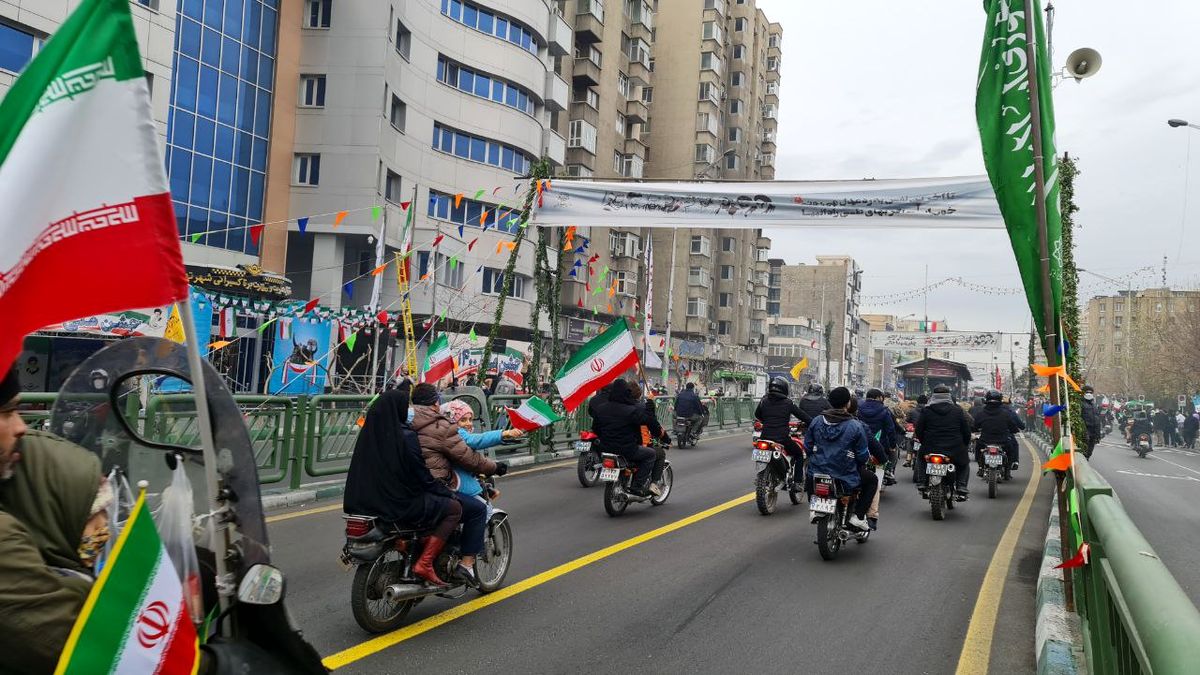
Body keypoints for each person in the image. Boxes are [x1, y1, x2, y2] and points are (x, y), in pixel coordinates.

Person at [0, 366, 110, 671]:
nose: (21, 426)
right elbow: (81, 644)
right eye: (7, 412)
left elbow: (116, 575)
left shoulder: (69, 474)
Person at [343, 386, 463, 587]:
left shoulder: (369, 434)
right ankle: (425, 563)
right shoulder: (405, 437)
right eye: (403, 406)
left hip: (363, 503)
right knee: (454, 509)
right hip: (396, 504)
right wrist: (445, 492)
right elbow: (420, 475)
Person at [410, 383, 507, 586]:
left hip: (403, 486)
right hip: (432, 488)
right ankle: (466, 564)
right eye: (463, 419)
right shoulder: (440, 427)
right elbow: (470, 457)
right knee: (477, 509)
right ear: (436, 404)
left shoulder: (402, 421)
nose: (467, 423)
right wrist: (495, 464)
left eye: (469, 419)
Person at [804, 387, 876, 531]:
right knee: (872, 480)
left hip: (818, 470)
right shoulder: (855, 425)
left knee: (810, 476)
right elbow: (862, 455)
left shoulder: (817, 421)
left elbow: (807, 446)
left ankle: (815, 508)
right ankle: (858, 516)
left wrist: (817, 459)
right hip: (846, 473)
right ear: (848, 404)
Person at [589, 378, 668, 496]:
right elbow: (649, 421)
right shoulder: (631, 411)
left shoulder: (601, 409)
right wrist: (650, 403)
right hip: (627, 450)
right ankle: (637, 486)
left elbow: (596, 429)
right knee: (651, 454)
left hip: (604, 449)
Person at [915, 384, 973, 500]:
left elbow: (919, 430)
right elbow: (966, 431)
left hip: (930, 446)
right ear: (949, 396)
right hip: (954, 448)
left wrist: (924, 442)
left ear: (933, 396)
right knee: (964, 463)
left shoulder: (926, 410)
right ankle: (961, 485)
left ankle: (922, 482)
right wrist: (965, 444)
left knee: (921, 459)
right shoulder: (957, 411)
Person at [754, 377, 812, 465]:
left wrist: (767, 421)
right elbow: (803, 416)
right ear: (785, 389)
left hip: (764, 438)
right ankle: (797, 479)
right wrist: (812, 422)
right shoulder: (788, 403)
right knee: (799, 454)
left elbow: (757, 414)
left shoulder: (764, 401)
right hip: (782, 439)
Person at [973, 389, 1025, 472]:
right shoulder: (1007, 413)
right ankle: (1008, 469)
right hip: (1003, 441)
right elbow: (1013, 426)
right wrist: (1014, 430)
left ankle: (980, 467)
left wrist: (975, 430)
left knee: (978, 448)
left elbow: (975, 425)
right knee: (1011, 450)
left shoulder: (981, 413)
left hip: (985, 440)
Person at [857, 388, 901, 486]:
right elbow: (891, 429)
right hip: (881, 444)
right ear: (879, 397)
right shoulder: (885, 410)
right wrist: (893, 446)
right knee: (894, 452)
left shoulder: (859, 409)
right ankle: (888, 471)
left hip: (862, 443)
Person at [1080, 387, 1103, 459]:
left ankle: (1087, 457)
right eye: (1087, 392)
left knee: (1091, 447)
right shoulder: (1081, 404)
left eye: (1090, 393)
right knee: (1086, 443)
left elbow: (1097, 419)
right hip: (1085, 428)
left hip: (1094, 429)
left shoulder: (1094, 405)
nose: (1089, 394)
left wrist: (1098, 433)